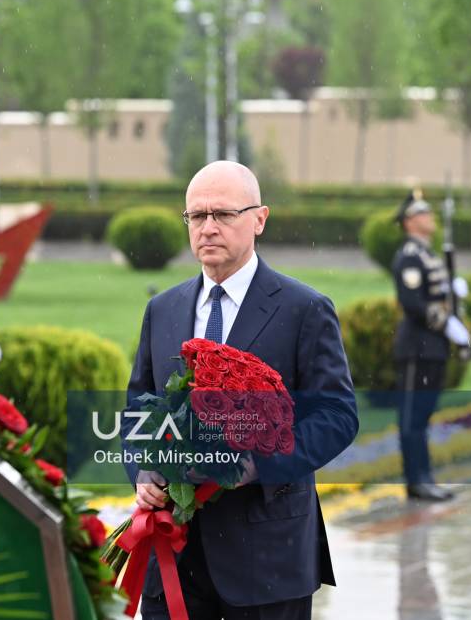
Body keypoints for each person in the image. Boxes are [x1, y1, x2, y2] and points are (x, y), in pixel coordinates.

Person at [123, 161, 359, 620]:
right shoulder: (162, 309)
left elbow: (337, 415)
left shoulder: (304, 309)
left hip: (267, 559)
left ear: (259, 219)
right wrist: (143, 472)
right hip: (174, 557)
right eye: (196, 216)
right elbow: (138, 407)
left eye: (223, 215)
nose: (207, 228)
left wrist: (258, 462)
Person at [391, 190, 469, 502]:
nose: (430, 218)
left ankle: (425, 478)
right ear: (410, 222)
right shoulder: (410, 255)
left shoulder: (428, 254)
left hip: (432, 347)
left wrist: (453, 296)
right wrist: (447, 323)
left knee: (422, 417)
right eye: (423, 213)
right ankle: (416, 481)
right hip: (416, 348)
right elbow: (413, 303)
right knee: (412, 418)